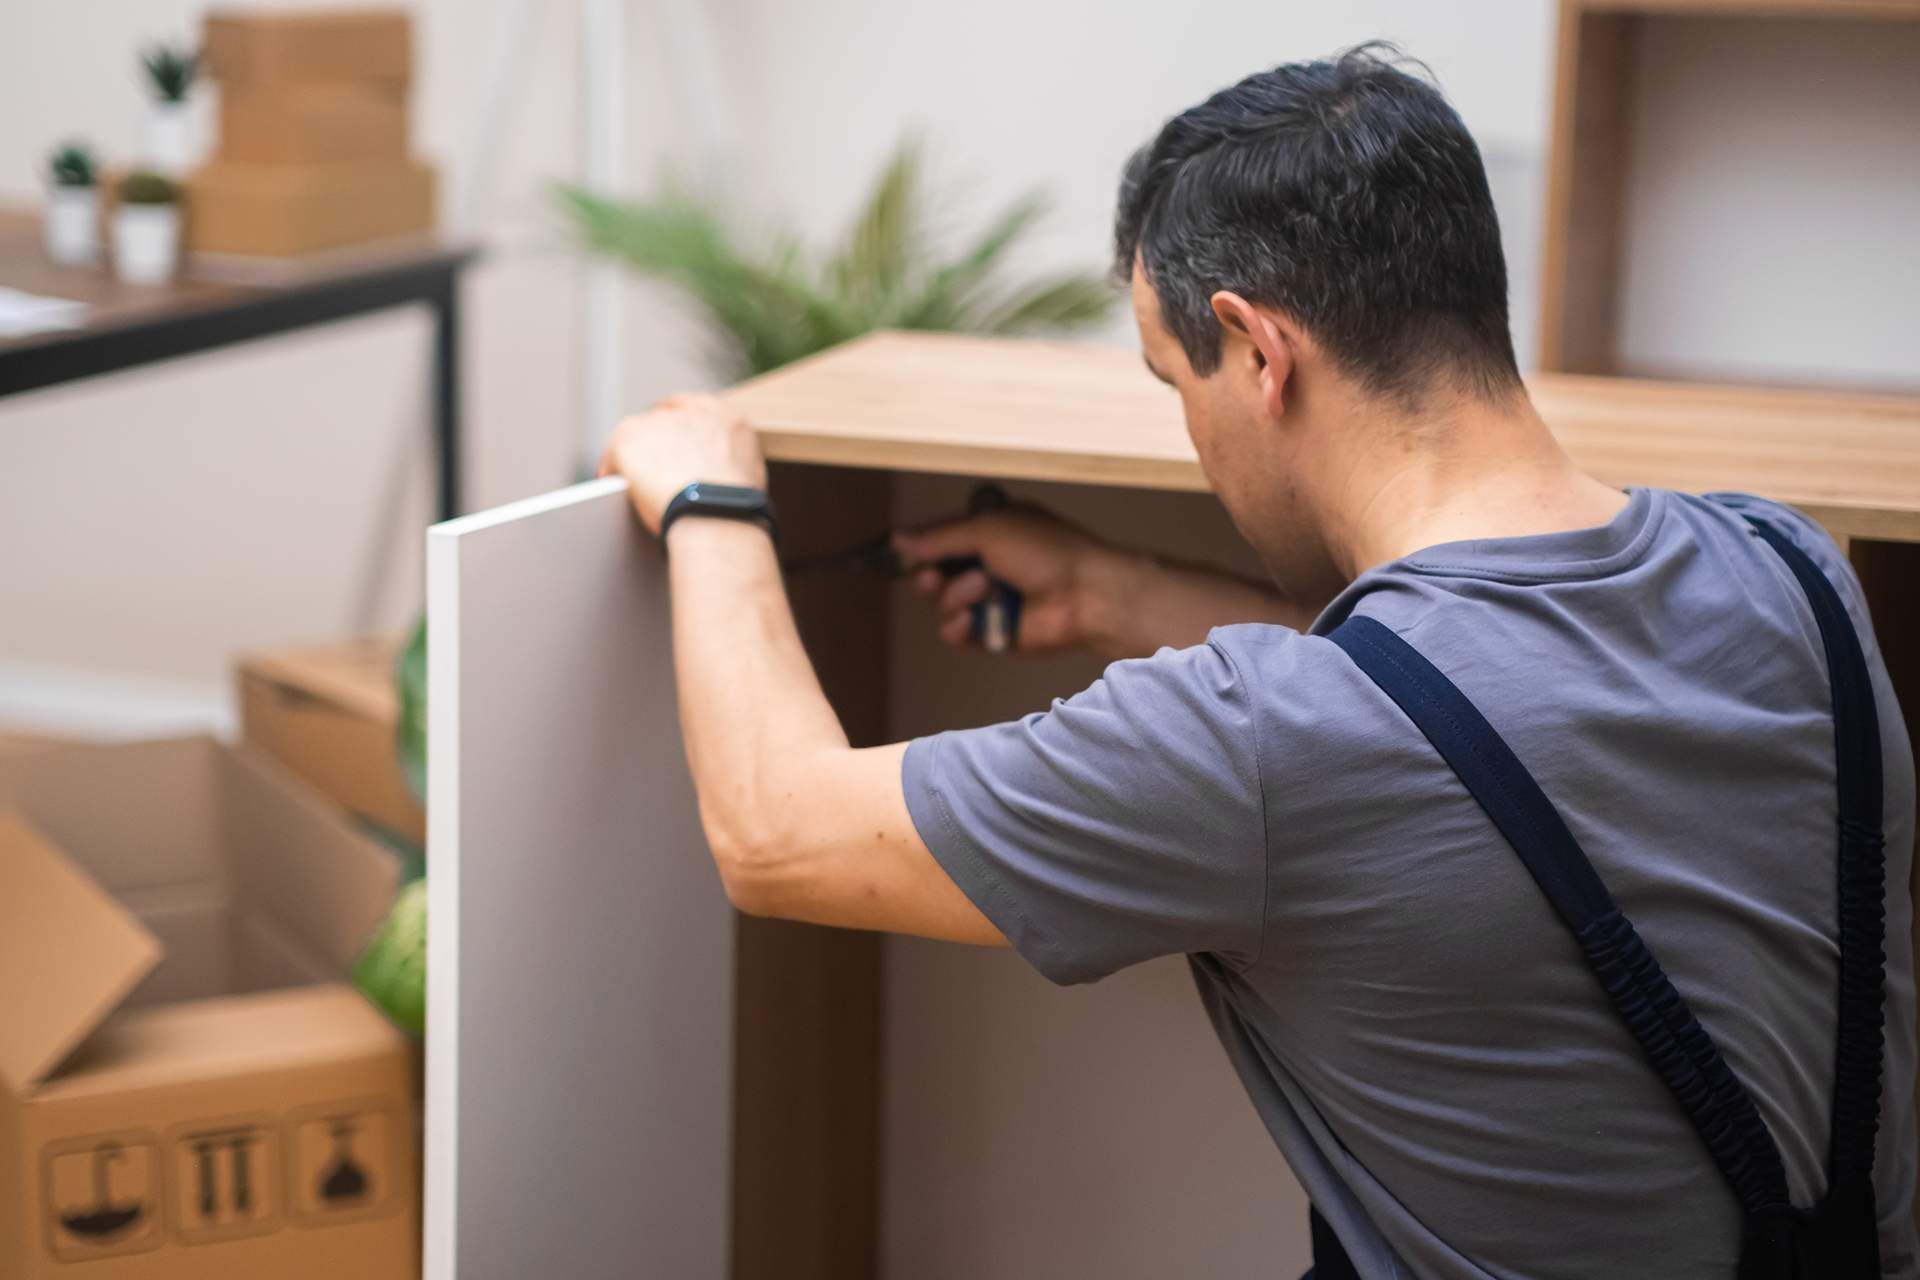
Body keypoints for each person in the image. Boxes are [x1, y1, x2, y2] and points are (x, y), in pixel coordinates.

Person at [599, 44, 1917, 1279]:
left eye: (1177, 382)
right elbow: (1486, 731)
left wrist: (713, 502)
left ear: (1259, 350)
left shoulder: (1256, 746)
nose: (1193, 436)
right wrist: (1126, 589)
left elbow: (774, 832)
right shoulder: (1790, 575)